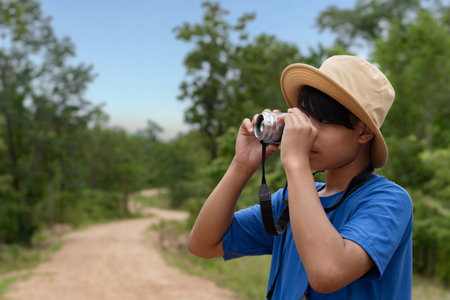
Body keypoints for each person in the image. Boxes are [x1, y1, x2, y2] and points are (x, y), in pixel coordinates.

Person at [187, 55, 413, 299]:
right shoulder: (290, 201)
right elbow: (203, 244)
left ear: (364, 132)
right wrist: (242, 163)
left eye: (324, 120)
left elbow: (327, 273)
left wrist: (296, 163)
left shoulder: (389, 201)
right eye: (305, 117)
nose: (308, 130)